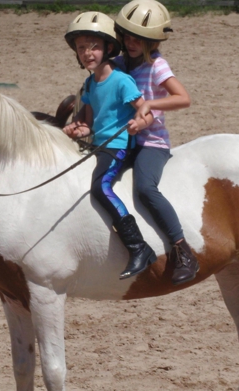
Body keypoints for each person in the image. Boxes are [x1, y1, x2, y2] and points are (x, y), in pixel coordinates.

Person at [63, 12, 157, 280]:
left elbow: (146, 113)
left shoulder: (121, 80)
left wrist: (139, 123)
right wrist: (77, 128)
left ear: (108, 48)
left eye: (93, 46)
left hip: (117, 146)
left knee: (100, 186)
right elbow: (88, 124)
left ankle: (138, 247)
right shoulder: (90, 83)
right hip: (99, 145)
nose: (87, 53)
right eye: (81, 48)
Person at [114, 0, 199, 285]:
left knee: (145, 189)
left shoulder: (157, 65)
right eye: (127, 35)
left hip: (151, 143)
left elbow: (183, 98)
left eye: (140, 38)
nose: (132, 41)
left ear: (152, 41)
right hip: (123, 140)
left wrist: (150, 102)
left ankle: (182, 249)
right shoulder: (119, 64)